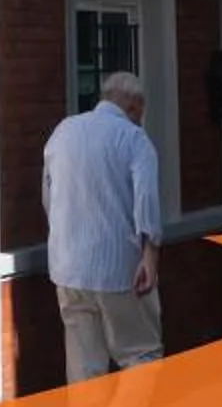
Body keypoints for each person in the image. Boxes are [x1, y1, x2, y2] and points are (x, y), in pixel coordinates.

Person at [42, 70, 163, 383]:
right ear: (135, 107)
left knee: (84, 370)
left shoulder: (63, 131)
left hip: (68, 269)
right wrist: (150, 255)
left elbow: (48, 197)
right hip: (120, 270)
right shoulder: (135, 139)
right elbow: (146, 200)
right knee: (143, 357)